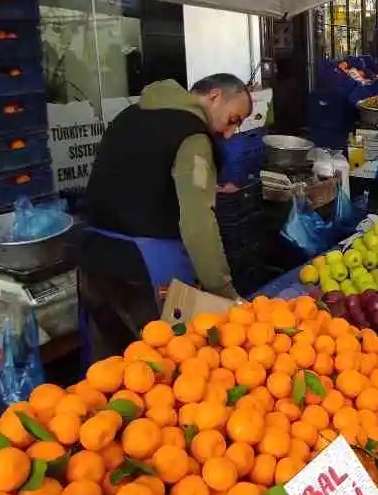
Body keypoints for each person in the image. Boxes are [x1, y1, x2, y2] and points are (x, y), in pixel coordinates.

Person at [80, 73, 254, 358]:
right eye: (234, 119)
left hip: (93, 258)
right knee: (160, 370)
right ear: (214, 97)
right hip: (143, 267)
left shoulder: (129, 115)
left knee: (107, 371)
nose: (229, 132)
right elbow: (198, 223)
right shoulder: (192, 136)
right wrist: (223, 290)